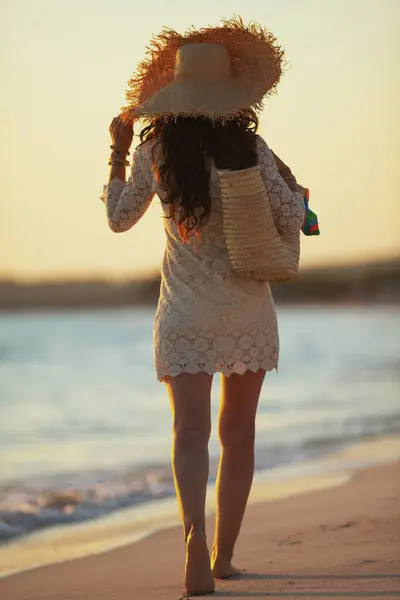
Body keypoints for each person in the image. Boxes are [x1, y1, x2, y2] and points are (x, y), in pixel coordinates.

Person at [101, 18, 305, 597]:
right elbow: (300, 223)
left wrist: (117, 155)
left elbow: (118, 219)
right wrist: (293, 189)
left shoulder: (157, 150)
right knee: (238, 434)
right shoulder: (251, 149)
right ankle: (225, 557)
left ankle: (192, 534)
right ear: (235, 95)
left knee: (188, 432)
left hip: (184, 312)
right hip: (247, 312)